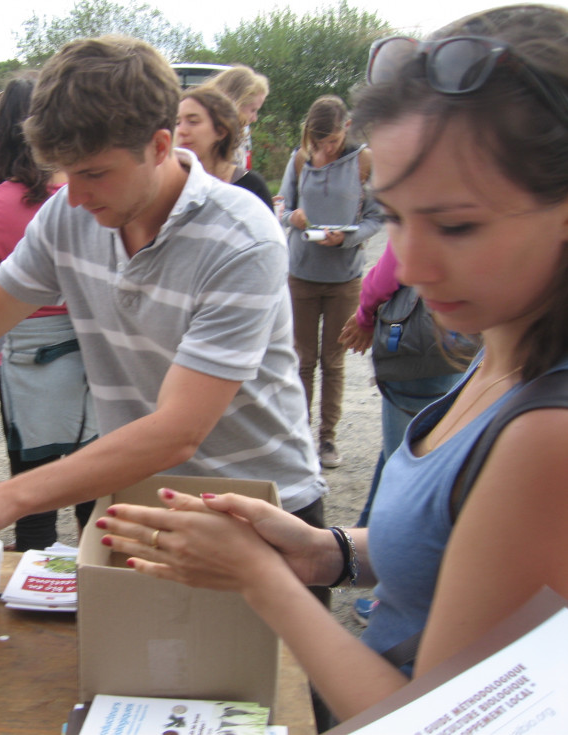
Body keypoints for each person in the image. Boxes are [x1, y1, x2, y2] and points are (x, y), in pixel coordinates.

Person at [97, 3, 568, 725]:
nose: (408, 262)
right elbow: (457, 546)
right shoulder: (503, 344)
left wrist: (261, 577)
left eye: (457, 224)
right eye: (397, 215)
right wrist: (328, 551)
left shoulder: (547, 437)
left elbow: (431, 719)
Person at [0, 35, 328, 567]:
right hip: (144, 499)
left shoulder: (242, 237)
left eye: (94, 172)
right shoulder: (69, 216)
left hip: (260, 510)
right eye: (64, 172)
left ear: (160, 146)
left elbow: (178, 430)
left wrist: (7, 497)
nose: (73, 196)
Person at [0, 75, 98, 551]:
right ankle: (93, 582)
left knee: (31, 486)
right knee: (93, 481)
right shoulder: (84, 194)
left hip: (22, 354)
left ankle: (33, 595)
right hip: (89, 349)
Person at [339, 242, 469, 625]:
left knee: (405, 466)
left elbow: (393, 265)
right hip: (456, 347)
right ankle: (363, 558)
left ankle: (379, 586)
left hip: (420, 352)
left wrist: (365, 316)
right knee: (401, 456)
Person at [278, 95, 384, 468]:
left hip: (344, 277)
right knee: (302, 360)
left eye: (333, 141)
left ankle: (327, 440)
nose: (326, 148)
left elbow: (377, 217)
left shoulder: (365, 162)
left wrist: (351, 236)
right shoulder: (300, 159)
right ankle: (300, 436)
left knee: (334, 361)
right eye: (320, 141)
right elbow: (281, 207)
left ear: (347, 128)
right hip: (301, 273)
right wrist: (293, 218)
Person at [174, 85, 273, 210]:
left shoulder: (251, 187)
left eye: (193, 121)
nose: (181, 131)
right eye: (177, 123)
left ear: (221, 131)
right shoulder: (171, 187)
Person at [207, 64, 268, 173]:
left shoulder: (235, 137)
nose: (254, 118)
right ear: (236, 103)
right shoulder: (214, 139)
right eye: (253, 110)